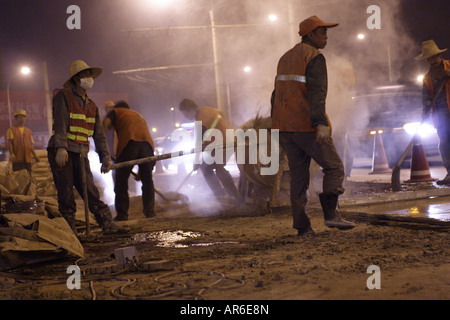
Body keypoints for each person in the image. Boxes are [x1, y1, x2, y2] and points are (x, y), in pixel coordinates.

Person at [271, 16, 355, 236]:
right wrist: (320, 123)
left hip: (287, 128)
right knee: (335, 167)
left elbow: (276, 94)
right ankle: (331, 215)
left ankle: (302, 227)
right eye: (323, 32)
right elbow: (317, 94)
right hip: (307, 126)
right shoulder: (314, 57)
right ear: (310, 35)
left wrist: (276, 124)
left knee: (298, 179)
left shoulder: (285, 57)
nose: (326, 36)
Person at [47, 59, 123, 235]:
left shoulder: (92, 106)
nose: (88, 78)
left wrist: (105, 156)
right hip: (63, 152)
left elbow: (99, 135)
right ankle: (70, 233)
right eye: (84, 74)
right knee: (66, 194)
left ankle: (107, 224)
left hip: (81, 154)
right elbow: (60, 122)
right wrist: (61, 147)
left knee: (90, 191)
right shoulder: (63, 96)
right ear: (75, 79)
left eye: (90, 74)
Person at [103, 101, 156, 221]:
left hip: (130, 143)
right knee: (147, 180)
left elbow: (105, 123)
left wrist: (101, 141)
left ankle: (122, 214)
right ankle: (150, 212)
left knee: (121, 179)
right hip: (147, 145)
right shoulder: (136, 114)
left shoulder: (116, 112)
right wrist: (141, 173)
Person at [179, 99, 238, 200]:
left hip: (222, 145)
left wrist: (196, 162)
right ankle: (232, 194)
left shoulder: (199, 121)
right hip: (229, 141)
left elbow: (199, 144)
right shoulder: (207, 110)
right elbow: (221, 114)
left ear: (190, 110)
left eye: (185, 114)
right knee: (217, 167)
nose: (186, 117)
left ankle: (221, 194)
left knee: (207, 168)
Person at [415, 40, 450, 185]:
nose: (432, 61)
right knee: (445, 145)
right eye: (429, 58)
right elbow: (427, 98)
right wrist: (426, 110)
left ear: (439, 56)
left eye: (434, 57)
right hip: (442, 118)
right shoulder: (427, 78)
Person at [7, 109, 40, 176]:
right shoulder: (11, 129)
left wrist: (35, 156)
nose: (22, 119)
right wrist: (11, 153)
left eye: (23, 117)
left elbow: (31, 145)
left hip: (27, 158)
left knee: (28, 177)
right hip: (17, 158)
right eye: (20, 117)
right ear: (16, 118)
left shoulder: (28, 131)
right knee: (18, 177)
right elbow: (10, 143)